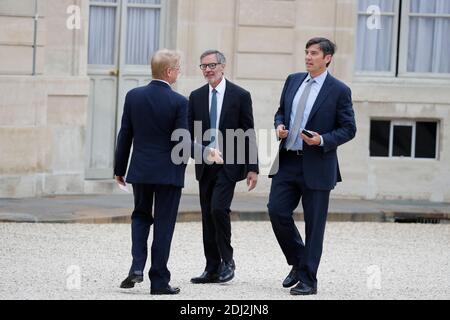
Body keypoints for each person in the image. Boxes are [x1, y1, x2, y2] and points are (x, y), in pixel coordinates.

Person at [267, 38, 356, 295]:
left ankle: (309, 280)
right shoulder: (293, 80)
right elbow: (280, 112)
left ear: (327, 58)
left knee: (314, 226)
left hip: (318, 165)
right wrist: (279, 126)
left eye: (314, 53)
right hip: (287, 161)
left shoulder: (339, 90)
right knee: (276, 211)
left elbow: (349, 129)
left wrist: (322, 140)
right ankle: (298, 260)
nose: (308, 57)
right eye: (306, 52)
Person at [114, 49, 188, 295]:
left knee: (140, 217)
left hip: (141, 170)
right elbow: (182, 142)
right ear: (169, 72)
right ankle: (159, 281)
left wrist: (119, 168)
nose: (179, 72)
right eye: (177, 69)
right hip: (169, 173)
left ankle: (137, 267)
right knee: (164, 225)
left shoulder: (133, 96)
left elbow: (125, 135)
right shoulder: (180, 102)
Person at [189, 50, 259, 284]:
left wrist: (252, 167)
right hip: (205, 164)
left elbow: (248, 132)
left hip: (229, 165)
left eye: (212, 65)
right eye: (203, 66)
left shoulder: (240, 95)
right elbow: (189, 133)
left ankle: (228, 261)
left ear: (223, 66)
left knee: (219, 209)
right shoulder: (196, 96)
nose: (208, 70)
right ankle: (211, 268)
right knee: (208, 215)